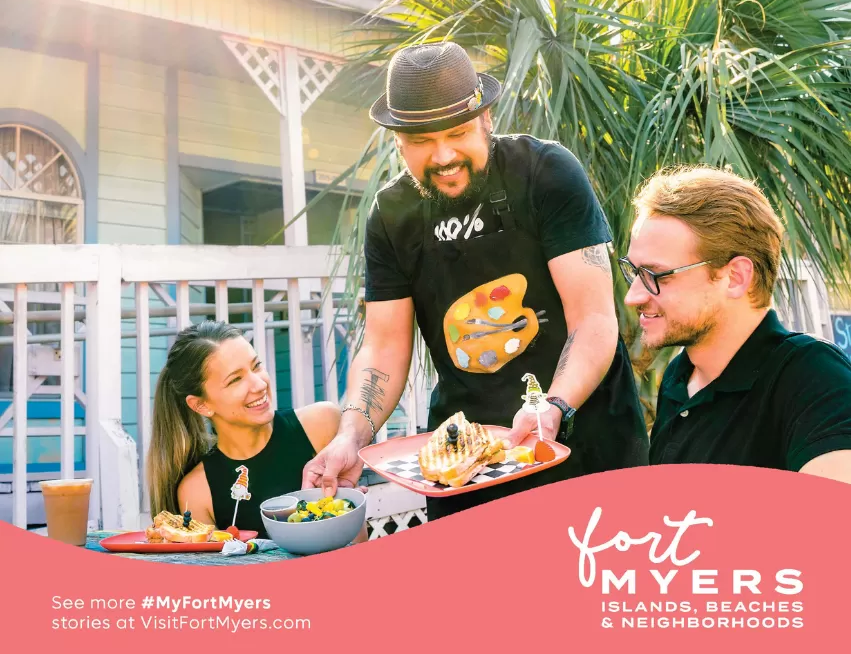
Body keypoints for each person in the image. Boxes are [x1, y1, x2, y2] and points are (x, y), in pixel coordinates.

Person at [304, 41, 648, 519]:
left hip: (583, 444)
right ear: (397, 140)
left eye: (458, 132)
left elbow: (592, 319)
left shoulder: (546, 173)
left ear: (488, 118)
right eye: (421, 141)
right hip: (463, 463)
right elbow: (383, 348)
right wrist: (350, 436)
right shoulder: (391, 214)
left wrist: (553, 406)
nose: (443, 155)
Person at [621, 166, 851, 481]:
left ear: (735, 277)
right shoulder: (678, 379)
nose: (632, 297)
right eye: (634, 273)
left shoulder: (811, 375)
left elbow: (832, 521)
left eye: (655, 276)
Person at [147, 320, 354, 538]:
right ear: (201, 405)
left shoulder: (321, 424)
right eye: (235, 379)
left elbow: (354, 538)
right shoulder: (198, 491)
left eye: (256, 366)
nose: (259, 384)